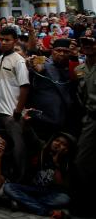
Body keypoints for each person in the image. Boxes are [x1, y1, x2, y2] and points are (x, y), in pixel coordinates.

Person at [0, 26, 30, 181]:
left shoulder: (18, 61)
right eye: (1, 39)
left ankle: (21, 183)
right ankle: (5, 181)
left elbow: (25, 87)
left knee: (18, 149)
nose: (4, 43)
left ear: (15, 41)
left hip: (13, 113)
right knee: (3, 149)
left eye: (7, 40)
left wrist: (18, 111)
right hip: (0, 112)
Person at [3, 132, 74, 217]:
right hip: (31, 189)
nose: (58, 144)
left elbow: (60, 185)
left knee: (64, 198)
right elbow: (31, 138)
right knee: (8, 187)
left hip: (48, 193)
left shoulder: (67, 163)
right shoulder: (41, 152)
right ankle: (47, 211)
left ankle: (23, 204)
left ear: (67, 149)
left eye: (63, 144)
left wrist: (56, 164)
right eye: (57, 140)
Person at [27, 39, 74, 140]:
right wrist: (34, 64)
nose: (62, 54)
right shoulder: (44, 60)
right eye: (58, 50)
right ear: (52, 51)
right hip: (42, 117)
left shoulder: (73, 66)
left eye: (65, 51)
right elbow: (31, 58)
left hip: (62, 119)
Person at [71, 36, 96, 217]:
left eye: (91, 43)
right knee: (82, 162)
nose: (87, 47)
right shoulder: (79, 69)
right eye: (84, 44)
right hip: (90, 120)